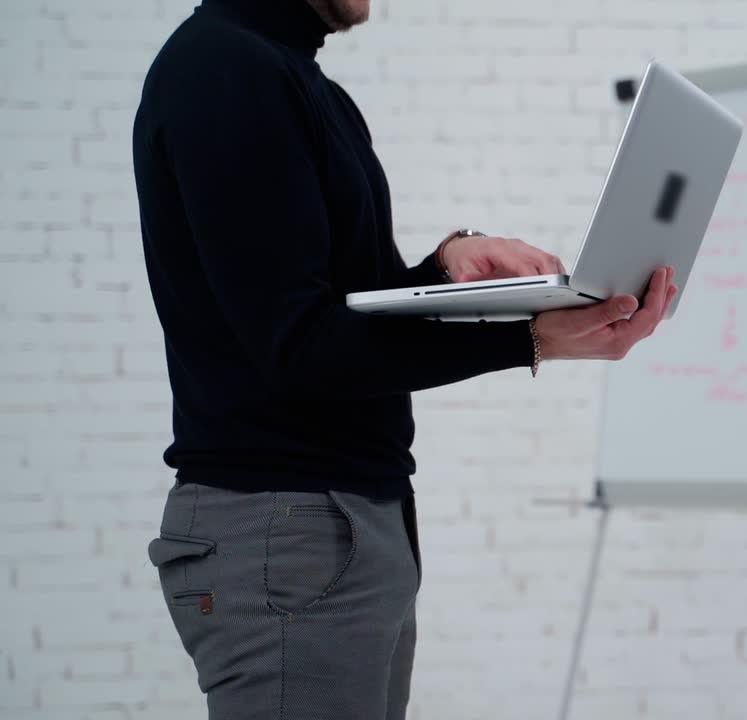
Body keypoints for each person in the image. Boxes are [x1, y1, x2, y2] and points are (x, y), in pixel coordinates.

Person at [132, 0, 676, 717]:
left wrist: (446, 260)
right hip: (289, 535)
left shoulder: (303, 86)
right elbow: (300, 350)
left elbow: (341, 312)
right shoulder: (225, 70)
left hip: (337, 530)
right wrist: (529, 337)